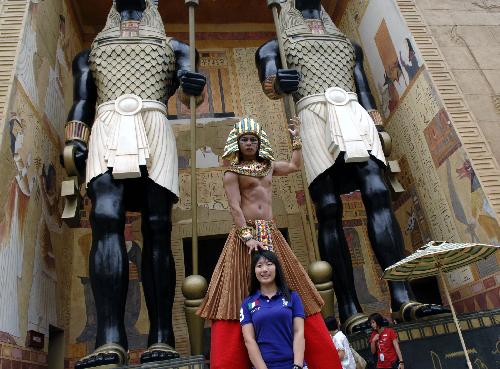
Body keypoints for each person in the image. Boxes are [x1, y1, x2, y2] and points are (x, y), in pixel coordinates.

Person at [255, 0, 448, 332]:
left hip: (354, 113)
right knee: (328, 207)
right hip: (313, 114)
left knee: (377, 192)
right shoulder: (274, 46)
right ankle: (349, 307)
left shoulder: (348, 46)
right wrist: (278, 81)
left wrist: (379, 126)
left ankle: (401, 295)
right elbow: (271, 83)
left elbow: (363, 88)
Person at [63, 1, 206, 367]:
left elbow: (192, 92)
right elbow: (82, 101)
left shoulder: (177, 48)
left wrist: (194, 84)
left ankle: (163, 336)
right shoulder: (90, 53)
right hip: (107, 125)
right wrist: (75, 140)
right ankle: (109, 338)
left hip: (154, 125)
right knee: (105, 220)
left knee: (158, 226)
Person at [198, 117, 341, 369]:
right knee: (241, 287)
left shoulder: (269, 166)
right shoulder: (232, 172)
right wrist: (247, 237)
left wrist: (296, 137)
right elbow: (234, 207)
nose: (250, 143)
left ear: (259, 142)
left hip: (271, 230)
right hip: (247, 236)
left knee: (289, 282)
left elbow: (296, 166)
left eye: (253, 139)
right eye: (245, 140)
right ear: (237, 143)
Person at [241, 250, 305, 369]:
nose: (264, 269)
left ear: (277, 268)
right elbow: (249, 340)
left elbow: (299, 332)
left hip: (293, 364)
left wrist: (298, 365)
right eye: (259, 266)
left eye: (269, 264)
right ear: (254, 271)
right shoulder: (248, 303)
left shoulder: (292, 297)